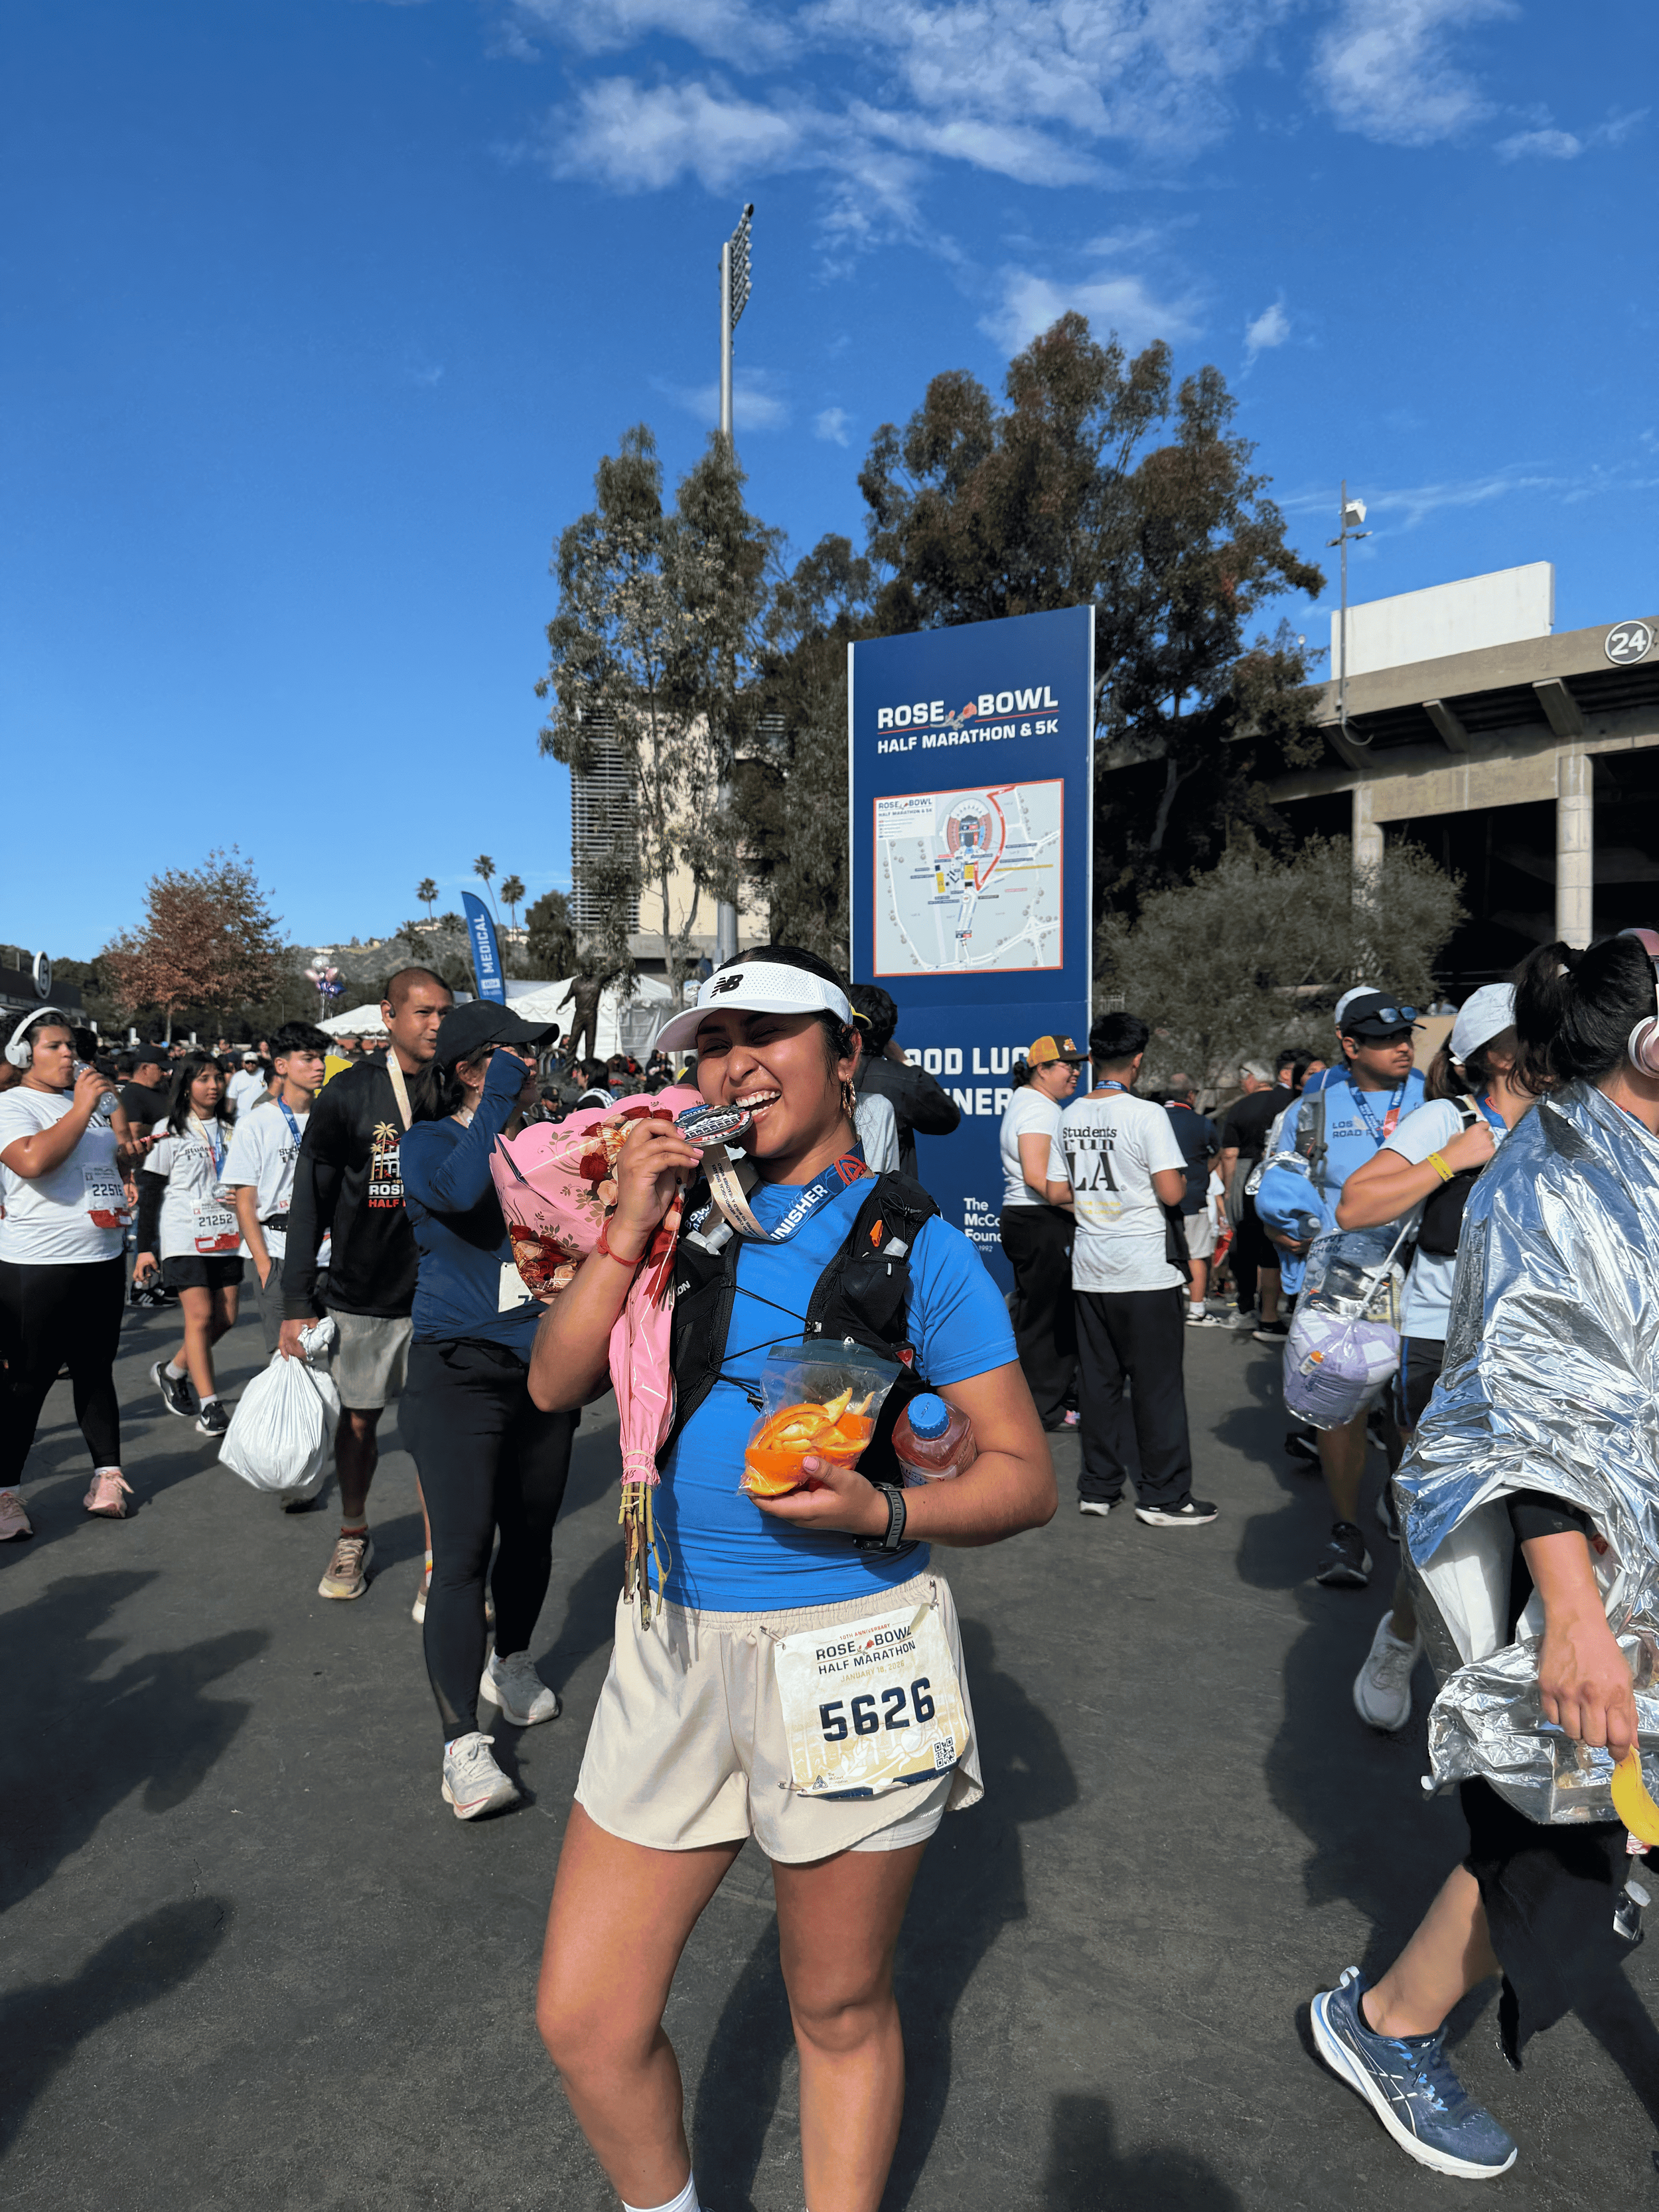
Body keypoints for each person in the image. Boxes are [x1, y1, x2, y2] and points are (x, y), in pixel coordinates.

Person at [527, 944, 1056, 2212]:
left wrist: (885, 1502)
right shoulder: (679, 1217)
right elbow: (553, 1383)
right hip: (667, 1639)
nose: (733, 1063)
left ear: (845, 1056)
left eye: (768, 1031)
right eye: (713, 1042)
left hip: (848, 1646)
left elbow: (1025, 1475)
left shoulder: (916, 1242)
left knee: (836, 2001)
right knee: (587, 2015)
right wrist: (626, 1228)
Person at [1311, 932, 1659, 2179]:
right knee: (1553, 1832)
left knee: (1578, 1826)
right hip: (1579, 1564)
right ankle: (1388, 2019)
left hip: (1642, 1559)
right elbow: (1533, 1406)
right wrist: (1571, 1613)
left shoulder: (1636, 1163)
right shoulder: (1546, 1177)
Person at [1333, 984, 1534, 1731]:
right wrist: (1451, 1161)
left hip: (1536, 1349)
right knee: (1447, 1523)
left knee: (1530, 1519)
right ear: (1496, 1052)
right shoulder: (1446, 1119)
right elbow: (1355, 1204)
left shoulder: (1572, 1121)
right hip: (1440, 1345)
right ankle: (1402, 1638)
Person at [401, 1002, 581, 1818]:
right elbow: (462, 1189)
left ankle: (511, 1658)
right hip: (457, 1374)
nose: (534, 1066)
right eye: (516, 1056)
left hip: (542, 1370)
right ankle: (460, 1747)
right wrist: (498, 1095)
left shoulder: (546, 1139)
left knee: (533, 1532)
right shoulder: (427, 1142)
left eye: (535, 1057)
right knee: (463, 1554)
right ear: (473, 1067)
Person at [281, 967, 454, 1603]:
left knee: (437, 1434)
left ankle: (443, 1563)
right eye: (423, 1012)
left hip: (440, 1295)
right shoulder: (347, 1094)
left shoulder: (458, 1088)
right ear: (388, 1015)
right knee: (358, 1426)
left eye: (445, 1011)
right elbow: (310, 1202)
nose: (437, 1023)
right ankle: (353, 1532)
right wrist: (296, 1302)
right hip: (360, 1295)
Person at [1256, 989, 1427, 1590]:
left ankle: (1402, 1503)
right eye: (1385, 1039)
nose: (1403, 1046)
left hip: (1422, 1275)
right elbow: (1279, 1172)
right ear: (1351, 1046)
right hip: (1341, 1285)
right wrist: (1286, 1219)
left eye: (1407, 1035)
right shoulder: (1314, 1106)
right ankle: (1347, 1528)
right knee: (1340, 1408)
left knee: (1412, 1410)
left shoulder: (1436, 1097)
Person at [1046, 1013, 1217, 1528]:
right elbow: (1170, 1191)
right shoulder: (1146, 1115)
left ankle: (1097, 1486)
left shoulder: (1069, 1114)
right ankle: (1163, 1496)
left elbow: (1056, 1191)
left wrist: (1100, 1204)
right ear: (1138, 1060)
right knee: (1156, 1385)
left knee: (1098, 1383)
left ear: (1094, 1056)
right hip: (1144, 1268)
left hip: (1091, 1266)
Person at [0, 1007, 146, 1534]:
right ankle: (5, 1492)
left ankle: (108, 1475)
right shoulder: (13, 1104)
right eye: (55, 1046)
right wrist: (85, 1107)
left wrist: (126, 1160)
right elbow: (33, 1162)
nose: (70, 1055)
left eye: (72, 1046)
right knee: (26, 1382)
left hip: (102, 1255)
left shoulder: (82, 1105)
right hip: (36, 1264)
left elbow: (98, 1165)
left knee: (95, 1369)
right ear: (22, 1055)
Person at [135, 1051, 243, 1439]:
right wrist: (145, 1247)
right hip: (184, 1234)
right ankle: (211, 1406)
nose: (212, 1086)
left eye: (217, 1078)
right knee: (198, 1317)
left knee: (225, 1318)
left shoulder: (234, 1129)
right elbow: (150, 1189)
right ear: (185, 1085)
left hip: (226, 1234)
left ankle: (173, 1371)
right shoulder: (170, 1130)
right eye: (202, 1079)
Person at [222, 1023, 333, 1358]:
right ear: (282, 1066)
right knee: (289, 1358)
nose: (319, 1067)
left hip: (329, 1252)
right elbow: (245, 1203)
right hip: (278, 1250)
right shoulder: (256, 1123)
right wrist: (264, 1266)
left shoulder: (331, 1117)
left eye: (322, 1059)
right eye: (309, 1059)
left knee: (334, 1358)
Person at [996, 1034, 1086, 1431]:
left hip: (1032, 1219)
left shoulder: (1031, 1103)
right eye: (1068, 1065)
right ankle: (1043, 1409)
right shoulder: (1039, 1110)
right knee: (1046, 1321)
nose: (1077, 1072)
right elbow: (1037, 1177)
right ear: (1042, 1070)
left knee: (1038, 1316)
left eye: (1078, 1064)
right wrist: (1093, 1208)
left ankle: (1041, 1400)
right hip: (1040, 1220)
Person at [847, 982, 962, 1181]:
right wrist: (904, 1061)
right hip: (885, 1200)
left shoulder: (819, 1070)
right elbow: (947, 1117)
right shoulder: (898, 1078)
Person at [1214, 1060, 1291, 1336]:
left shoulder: (1240, 1107)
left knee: (1244, 1246)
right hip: (1285, 1175)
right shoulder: (1290, 1102)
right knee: (1275, 1246)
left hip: (1247, 1175)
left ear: (1250, 1079)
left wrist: (1229, 1189)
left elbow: (1230, 1154)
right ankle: (1274, 1311)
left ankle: (1246, 1307)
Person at [1163, 1074, 1221, 1327]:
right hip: (1193, 1198)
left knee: (1161, 1254)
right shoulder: (1202, 1123)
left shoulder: (1150, 1117)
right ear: (1191, 1096)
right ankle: (1196, 1310)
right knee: (1196, 1254)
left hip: (1158, 1200)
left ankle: (1162, 1310)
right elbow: (1218, 1153)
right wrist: (1201, 1173)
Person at [118, 1046, 170, 1140]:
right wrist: (165, 1129)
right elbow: (134, 1130)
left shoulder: (163, 1090)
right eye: (161, 1069)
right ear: (145, 1068)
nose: (165, 1074)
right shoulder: (131, 1094)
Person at [228, 1051, 268, 1120]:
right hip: (241, 1117)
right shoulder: (237, 1076)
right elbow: (232, 1097)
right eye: (248, 1062)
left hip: (261, 1117)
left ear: (257, 1063)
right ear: (243, 1063)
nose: (250, 1064)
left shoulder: (265, 1075)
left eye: (253, 1062)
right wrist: (228, 1115)